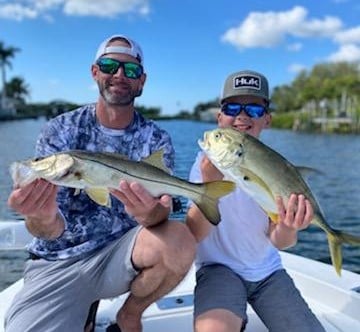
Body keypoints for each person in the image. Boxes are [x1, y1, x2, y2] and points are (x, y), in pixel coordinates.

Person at [5, 34, 196, 332]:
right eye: (109, 65)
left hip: (122, 258)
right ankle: (82, 312)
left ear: (141, 81)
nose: (119, 75)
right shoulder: (60, 129)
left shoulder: (156, 139)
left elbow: (161, 214)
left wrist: (150, 214)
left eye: (130, 71)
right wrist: (40, 218)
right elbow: (46, 230)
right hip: (58, 261)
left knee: (180, 240)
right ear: (95, 72)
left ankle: (130, 314)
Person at [186, 70, 326, 332]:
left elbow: (281, 242)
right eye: (232, 107)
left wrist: (288, 225)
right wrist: (208, 185)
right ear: (219, 118)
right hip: (218, 269)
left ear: (267, 119)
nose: (241, 115)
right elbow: (194, 233)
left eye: (253, 108)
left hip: (268, 273)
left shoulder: (279, 169)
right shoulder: (204, 165)